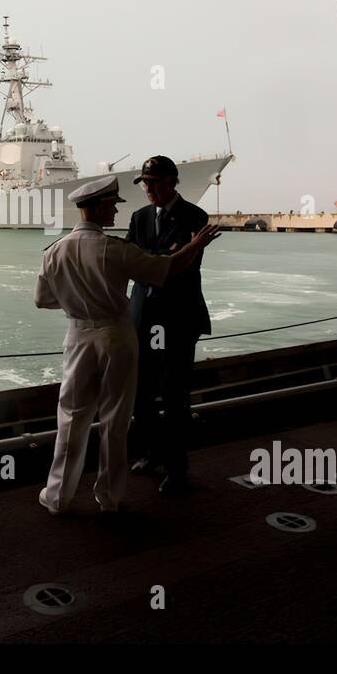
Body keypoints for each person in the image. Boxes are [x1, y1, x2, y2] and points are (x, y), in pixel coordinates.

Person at [33, 174, 220, 515]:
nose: (118, 212)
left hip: (77, 336)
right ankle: (109, 497)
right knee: (115, 419)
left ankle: (57, 496)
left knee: (71, 418)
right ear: (100, 206)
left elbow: (42, 300)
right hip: (116, 336)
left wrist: (80, 301)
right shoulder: (114, 250)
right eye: (113, 205)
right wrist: (197, 244)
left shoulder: (54, 251)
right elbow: (167, 267)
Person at [126, 156, 213, 495]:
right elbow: (139, 265)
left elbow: (183, 268)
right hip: (143, 319)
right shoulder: (139, 217)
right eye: (145, 183)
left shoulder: (195, 216)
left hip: (177, 319)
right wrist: (170, 255)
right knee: (141, 395)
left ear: (173, 182)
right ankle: (152, 454)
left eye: (155, 182)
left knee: (175, 397)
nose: (148, 189)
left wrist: (156, 260)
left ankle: (177, 469)